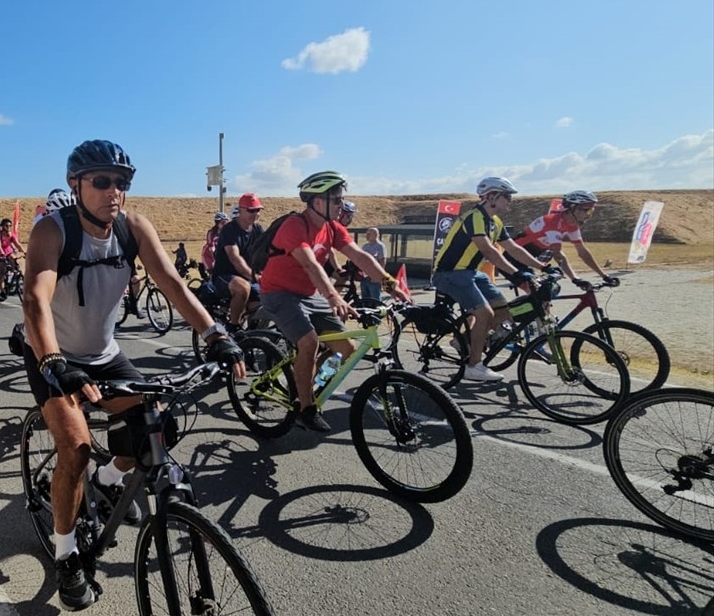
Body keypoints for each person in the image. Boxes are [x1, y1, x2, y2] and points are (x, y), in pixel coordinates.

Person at [20, 139, 245, 611]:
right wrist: (53, 362)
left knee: (156, 428)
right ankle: (66, 554)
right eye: (101, 181)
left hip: (104, 354)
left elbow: (173, 284)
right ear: (76, 184)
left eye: (121, 182)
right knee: (76, 449)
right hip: (53, 354)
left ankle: (107, 477)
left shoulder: (133, 228)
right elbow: (36, 300)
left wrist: (215, 335)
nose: (113, 191)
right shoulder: (51, 231)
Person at [259, 171, 412, 431]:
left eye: (341, 199)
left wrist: (390, 283)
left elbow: (360, 257)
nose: (341, 205)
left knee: (346, 348)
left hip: (309, 295)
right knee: (309, 342)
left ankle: (308, 382)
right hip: (278, 292)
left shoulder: (332, 227)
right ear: (318, 202)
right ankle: (305, 408)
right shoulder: (294, 226)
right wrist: (332, 296)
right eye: (336, 200)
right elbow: (309, 264)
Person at [430, 177, 551, 382]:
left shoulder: (496, 222)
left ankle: (467, 341)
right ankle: (474, 366)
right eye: (507, 197)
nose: (509, 201)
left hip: (472, 273)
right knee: (485, 313)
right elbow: (488, 250)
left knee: (504, 310)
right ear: (491, 197)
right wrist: (517, 273)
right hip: (449, 273)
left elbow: (513, 249)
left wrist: (542, 267)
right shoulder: (473, 217)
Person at [507, 190, 619, 290]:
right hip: (513, 258)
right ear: (572, 209)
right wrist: (575, 279)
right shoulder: (552, 222)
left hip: (531, 257)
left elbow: (583, 252)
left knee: (548, 292)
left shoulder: (572, 225)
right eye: (586, 210)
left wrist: (604, 276)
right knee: (539, 292)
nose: (589, 215)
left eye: (591, 211)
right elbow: (558, 254)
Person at [211, 192, 264, 329]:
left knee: (261, 299)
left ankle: (253, 335)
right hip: (225, 275)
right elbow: (235, 258)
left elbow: (268, 251)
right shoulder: (230, 230)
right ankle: (234, 326)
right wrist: (254, 276)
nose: (255, 214)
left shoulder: (257, 229)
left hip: (247, 276)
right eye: (251, 210)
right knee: (242, 288)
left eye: (258, 210)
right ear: (240, 210)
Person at [0, 217, 26, 296]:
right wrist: (2, 253)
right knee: (2, 272)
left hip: (8, 252)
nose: (9, 227)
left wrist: (24, 252)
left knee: (15, 264)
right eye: (7, 225)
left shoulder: (11, 234)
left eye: (10, 225)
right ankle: (2, 290)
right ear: (3, 226)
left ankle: (12, 279)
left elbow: (18, 244)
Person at [359, 227, 387, 300]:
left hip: (374, 278)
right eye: (366, 234)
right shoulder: (365, 246)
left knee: (375, 299)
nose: (367, 236)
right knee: (365, 299)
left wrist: (378, 276)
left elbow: (382, 261)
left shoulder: (380, 246)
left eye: (369, 234)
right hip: (364, 277)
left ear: (375, 235)